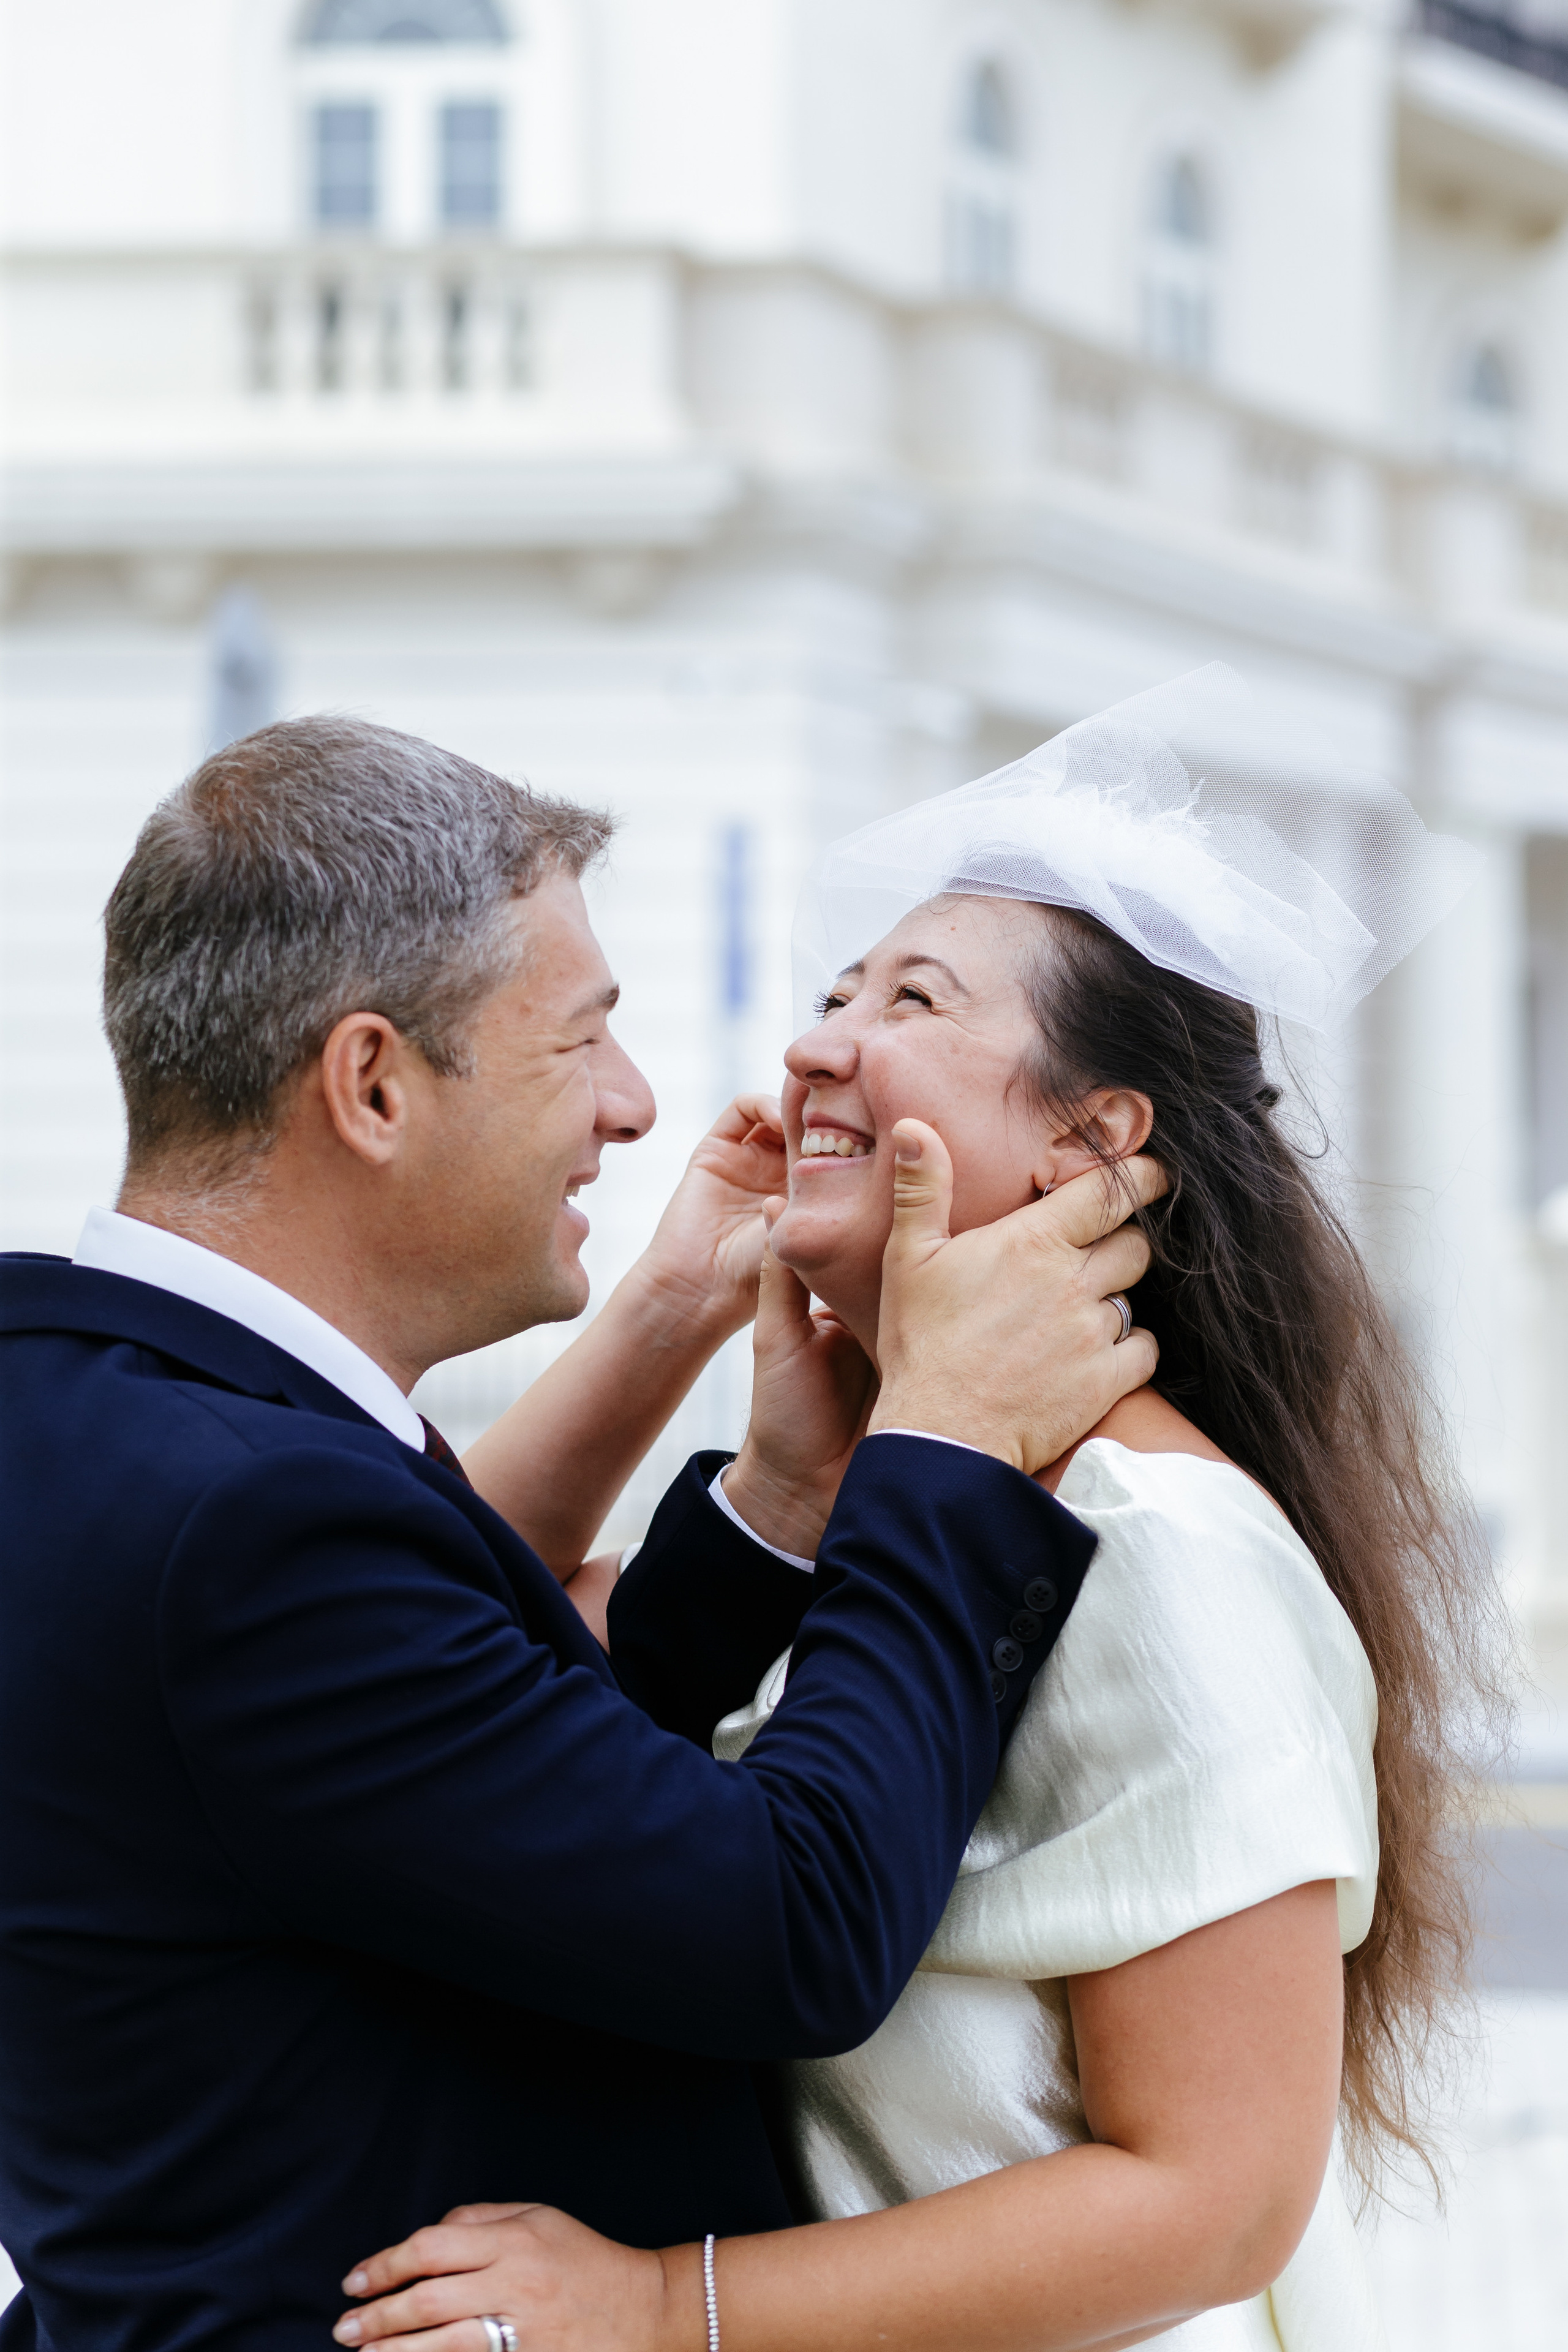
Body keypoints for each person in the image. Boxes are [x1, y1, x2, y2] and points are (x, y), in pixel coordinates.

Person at [334, 671, 1506, 2352]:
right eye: (833, 990)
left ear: (1094, 1139)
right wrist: (697, 1341)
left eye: (912, 1001)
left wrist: (669, 2307)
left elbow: (1221, 2195)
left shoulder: (1160, 1547)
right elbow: (460, 1666)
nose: (815, 1044)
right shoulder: (876, 1507)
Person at [0, 718, 1165, 2351]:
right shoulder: (247, 1522)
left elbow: (484, 1738)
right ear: (374, 1083)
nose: (632, 1107)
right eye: (579, 1042)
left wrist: (768, 1490)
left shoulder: (96, 1409)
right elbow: (796, 1924)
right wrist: (945, 1443)